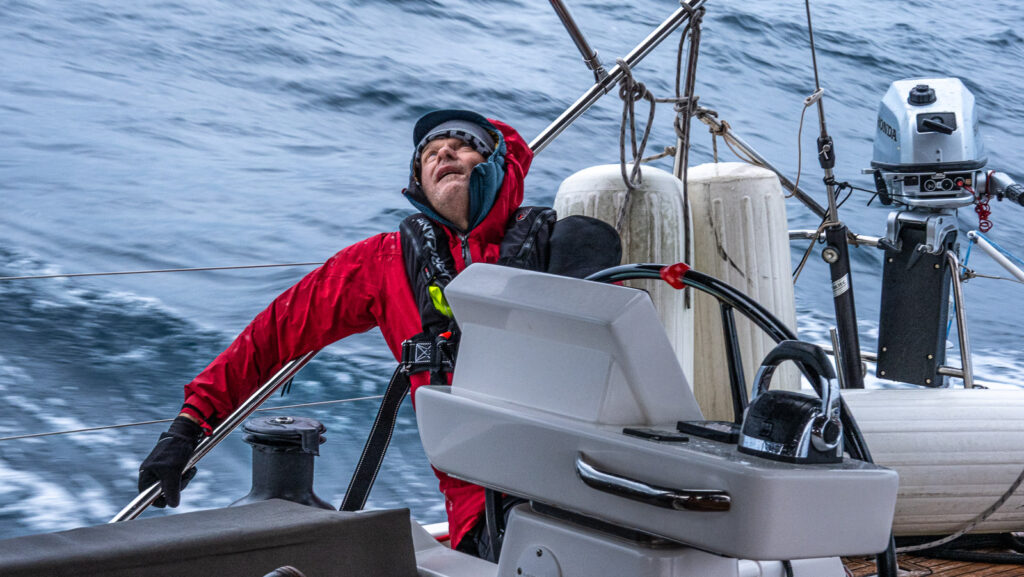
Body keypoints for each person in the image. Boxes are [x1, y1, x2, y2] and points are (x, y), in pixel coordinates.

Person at [138, 109, 619, 558]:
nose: (443, 155)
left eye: (463, 144)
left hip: (591, 489)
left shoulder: (564, 243)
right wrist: (189, 425)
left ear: (497, 160)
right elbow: (276, 330)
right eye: (429, 153)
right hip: (483, 523)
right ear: (419, 183)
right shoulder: (387, 262)